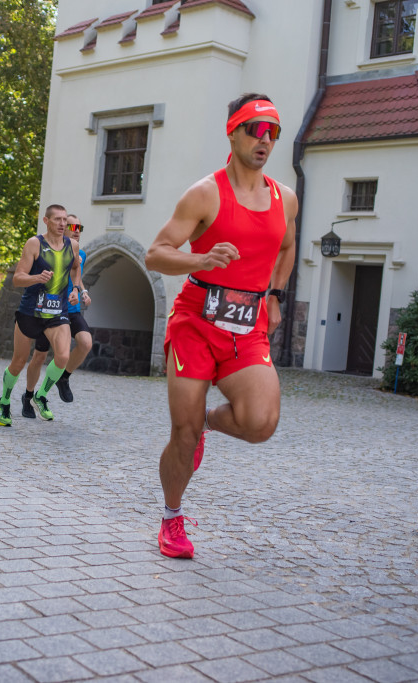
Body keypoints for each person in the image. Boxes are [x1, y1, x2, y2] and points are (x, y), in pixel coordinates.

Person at [143, 93, 298, 559]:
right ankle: (172, 518)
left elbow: (287, 247)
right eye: (255, 129)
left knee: (260, 422)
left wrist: (274, 294)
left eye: (273, 131)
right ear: (232, 132)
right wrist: (200, 257)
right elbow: (156, 252)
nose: (265, 139)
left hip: (247, 323)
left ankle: (206, 422)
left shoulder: (284, 198)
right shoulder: (205, 193)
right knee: (182, 435)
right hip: (196, 318)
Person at [0, 204, 85, 426]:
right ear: (46, 221)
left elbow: (75, 268)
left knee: (63, 357)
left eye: (65, 220)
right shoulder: (35, 244)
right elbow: (17, 278)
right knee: (18, 361)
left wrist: (75, 289)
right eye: (57, 220)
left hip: (57, 312)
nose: (63, 224)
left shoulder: (72, 245)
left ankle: (41, 395)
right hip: (31, 311)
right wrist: (37, 278)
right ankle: (4, 400)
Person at [22, 213, 92, 415]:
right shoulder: (50, 250)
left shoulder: (82, 254)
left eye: (80, 227)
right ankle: (28, 396)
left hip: (71, 309)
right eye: (73, 227)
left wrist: (82, 291)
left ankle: (64, 376)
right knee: (39, 356)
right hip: (50, 309)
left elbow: (76, 276)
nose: (76, 232)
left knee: (86, 343)